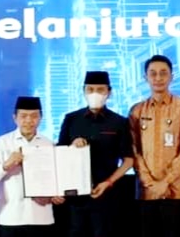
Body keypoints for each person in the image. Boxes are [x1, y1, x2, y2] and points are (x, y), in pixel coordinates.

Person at [57, 71, 133, 237]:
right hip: (76, 194)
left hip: (106, 194)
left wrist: (108, 182)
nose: (95, 93)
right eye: (90, 89)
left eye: (100, 89)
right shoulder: (71, 119)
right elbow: (59, 155)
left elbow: (128, 160)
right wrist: (72, 146)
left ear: (109, 92)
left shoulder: (119, 122)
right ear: (84, 91)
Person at [128, 54, 180, 237]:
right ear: (146, 78)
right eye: (153, 73)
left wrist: (165, 183)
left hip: (176, 190)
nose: (158, 78)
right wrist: (151, 184)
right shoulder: (136, 110)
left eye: (163, 73)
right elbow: (134, 151)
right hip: (146, 192)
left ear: (171, 77)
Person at [0, 96, 65, 237]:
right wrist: (6, 165)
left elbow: (56, 178)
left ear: (41, 118)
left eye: (34, 116)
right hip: (11, 216)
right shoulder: (3, 142)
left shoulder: (48, 144)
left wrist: (57, 193)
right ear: (15, 118)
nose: (29, 120)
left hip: (42, 216)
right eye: (23, 116)